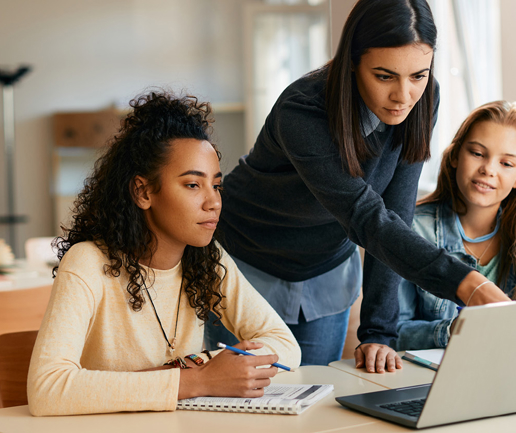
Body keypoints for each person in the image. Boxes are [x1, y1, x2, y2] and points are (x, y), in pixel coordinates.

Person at [204, 0, 510, 372]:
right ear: (352, 62)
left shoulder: (423, 97)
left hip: (326, 270)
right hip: (246, 262)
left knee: (311, 409)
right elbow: (364, 215)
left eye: (418, 74)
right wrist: (466, 283)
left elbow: (394, 213)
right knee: (244, 411)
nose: (403, 96)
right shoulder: (301, 111)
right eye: (384, 76)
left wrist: (379, 332)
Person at [27, 91, 301, 416]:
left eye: (216, 185)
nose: (213, 202)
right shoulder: (87, 262)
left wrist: (196, 365)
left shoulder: (206, 258)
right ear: (143, 192)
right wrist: (196, 381)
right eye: (192, 185)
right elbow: (47, 389)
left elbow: (285, 346)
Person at [396, 101, 516, 351]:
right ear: (454, 156)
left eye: (507, 163)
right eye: (477, 153)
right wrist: (455, 330)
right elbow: (392, 332)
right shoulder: (411, 228)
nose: (488, 169)